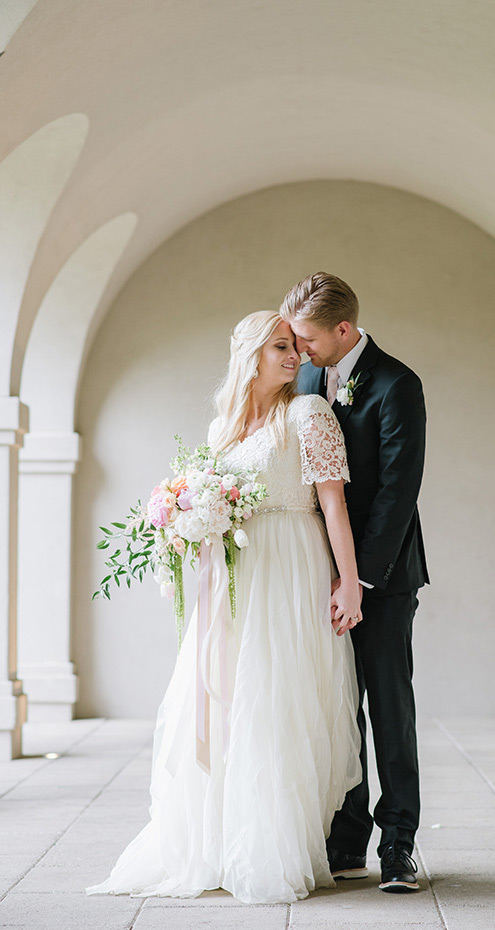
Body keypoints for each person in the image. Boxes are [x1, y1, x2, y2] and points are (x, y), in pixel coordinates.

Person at [85, 310, 364, 904]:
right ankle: (216, 841)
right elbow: (212, 497)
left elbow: (333, 505)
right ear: (251, 355)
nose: (294, 358)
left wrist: (349, 582)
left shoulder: (307, 414)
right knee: (223, 697)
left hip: (291, 565)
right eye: (281, 348)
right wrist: (185, 526)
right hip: (234, 578)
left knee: (276, 699)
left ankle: (274, 842)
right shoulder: (222, 429)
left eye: (295, 346)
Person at [280, 272, 429, 893]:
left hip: (384, 575)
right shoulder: (307, 379)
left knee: (388, 705)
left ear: (344, 329)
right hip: (320, 572)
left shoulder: (398, 384)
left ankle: (399, 844)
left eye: (308, 339)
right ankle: (346, 843)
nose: (299, 351)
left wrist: (358, 580)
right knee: (338, 704)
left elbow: (398, 492)